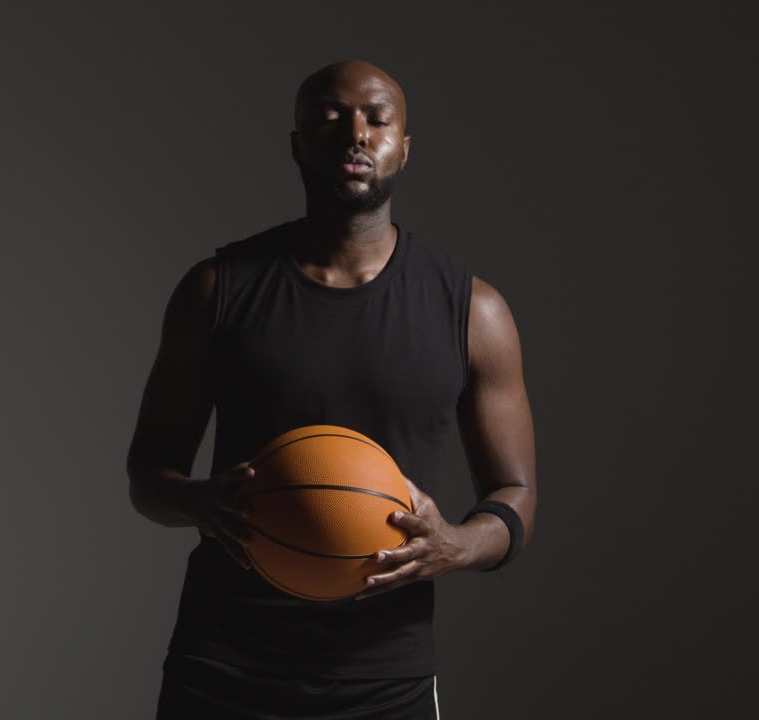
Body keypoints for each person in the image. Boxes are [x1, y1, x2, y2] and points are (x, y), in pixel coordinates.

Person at [126, 58, 537, 720]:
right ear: (297, 144)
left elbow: (517, 493)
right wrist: (198, 502)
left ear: (403, 148)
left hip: (386, 676)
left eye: (378, 119)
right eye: (330, 117)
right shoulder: (217, 290)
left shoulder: (473, 311)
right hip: (224, 666)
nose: (356, 134)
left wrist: (455, 545)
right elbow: (148, 475)